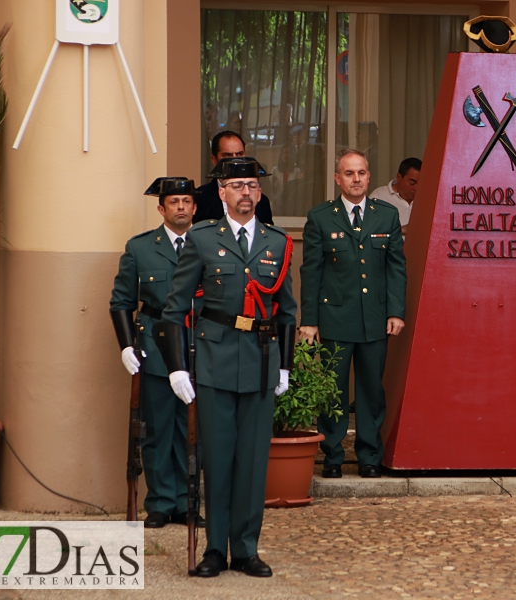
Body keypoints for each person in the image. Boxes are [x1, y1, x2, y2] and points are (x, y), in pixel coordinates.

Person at [154, 157, 297, 578]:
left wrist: (285, 368)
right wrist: (178, 367)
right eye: (236, 185)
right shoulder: (201, 239)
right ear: (221, 193)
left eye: (252, 185)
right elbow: (175, 309)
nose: (246, 193)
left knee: (253, 462)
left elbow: (287, 312)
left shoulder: (276, 243)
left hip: (261, 360)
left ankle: (246, 549)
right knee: (217, 459)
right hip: (215, 361)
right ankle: (215, 549)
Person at [299, 149, 407, 480]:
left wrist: (396, 311)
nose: (356, 179)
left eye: (361, 173)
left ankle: (369, 456)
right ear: (338, 179)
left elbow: (396, 268)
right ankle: (332, 455)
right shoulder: (320, 217)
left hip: (375, 318)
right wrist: (309, 320)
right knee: (333, 390)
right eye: (349, 173)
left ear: (369, 176)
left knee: (371, 391)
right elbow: (311, 271)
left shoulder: (385, 215)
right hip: (335, 318)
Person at [109, 177, 202, 529]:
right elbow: (121, 302)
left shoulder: (210, 244)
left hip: (200, 346)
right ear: (161, 209)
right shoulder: (141, 248)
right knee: (157, 428)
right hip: (156, 349)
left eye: (186, 201)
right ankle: (161, 503)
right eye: (174, 202)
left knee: (192, 431)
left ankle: (186, 502)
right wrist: (127, 344)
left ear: (195, 207)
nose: (181, 207)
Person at [194, 131, 274, 226]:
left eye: (240, 154)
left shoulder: (262, 201)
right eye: (228, 156)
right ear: (214, 160)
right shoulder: (199, 198)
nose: (235, 161)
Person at [369, 157, 421, 236]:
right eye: (412, 183)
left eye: (420, 183)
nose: (416, 188)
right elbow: (369, 230)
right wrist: (401, 229)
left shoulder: (426, 199)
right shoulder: (379, 197)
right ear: (399, 177)